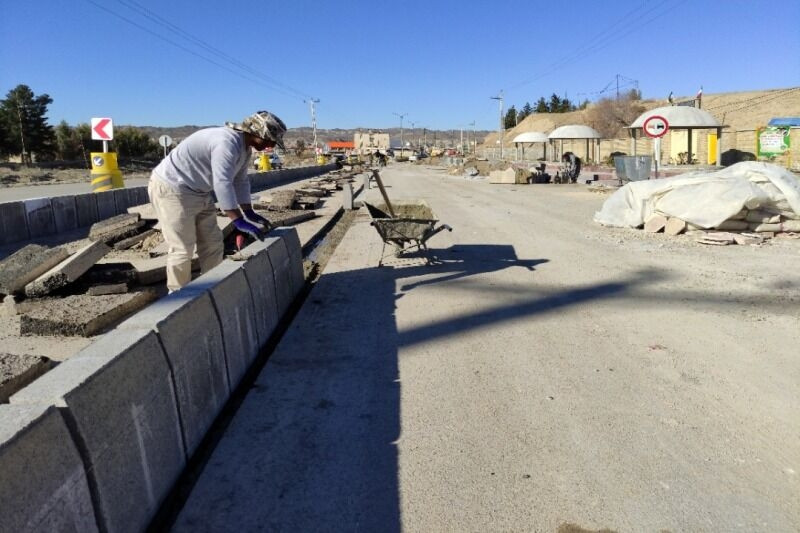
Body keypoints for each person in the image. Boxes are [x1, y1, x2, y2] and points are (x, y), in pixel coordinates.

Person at [148, 110, 287, 292]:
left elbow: (240, 180)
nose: (270, 145)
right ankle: (177, 297)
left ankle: (211, 288)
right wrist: (237, 220)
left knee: (213, 243)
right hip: (172, 189)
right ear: (257, 133)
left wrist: (249, 212)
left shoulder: (244, 148)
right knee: (182, 248)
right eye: (269, 140)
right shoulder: (226, 142)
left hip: (198, 192)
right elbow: (222, 183)